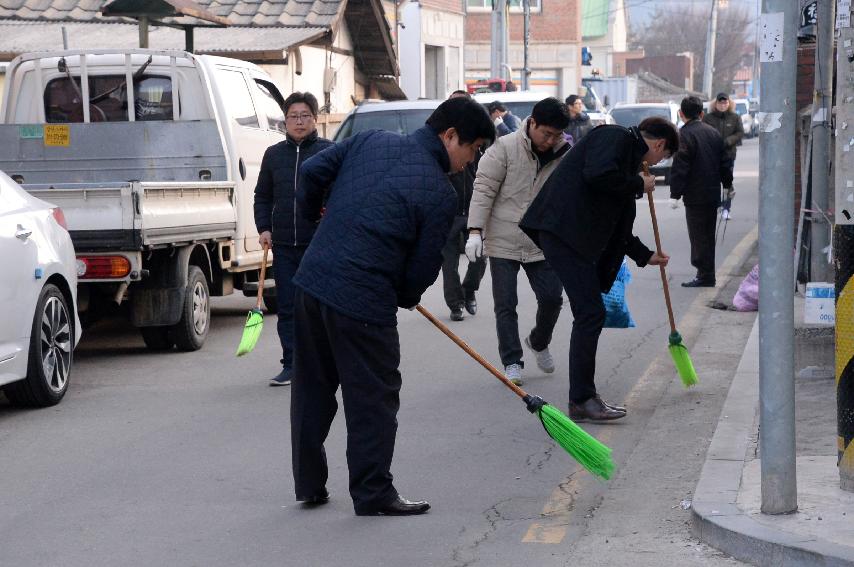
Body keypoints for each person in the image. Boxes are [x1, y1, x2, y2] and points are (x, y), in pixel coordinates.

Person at [290, 97, 495, 516]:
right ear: (449, 136)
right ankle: (372, 493)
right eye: (473, 150)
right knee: (373, 399)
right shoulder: (440, 193)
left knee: (312, 388)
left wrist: (317, 220)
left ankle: (309, 484)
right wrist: (403, 295)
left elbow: (311, 172)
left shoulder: (369, 140)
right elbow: (421, 270)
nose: (470, 161)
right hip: (363, 303)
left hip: (312, 283)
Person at [520, 116, 678, 422]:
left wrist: (645, 256)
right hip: (562, 233)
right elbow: (596, 175)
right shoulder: (614, 137)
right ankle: (581, 399)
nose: (658, 162)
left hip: (573, 238)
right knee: (590, 312)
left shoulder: (626, 159)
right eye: (664, 156)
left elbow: (617, 226)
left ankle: (583, 398)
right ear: (659, 145)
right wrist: (637, 184)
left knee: (590, 313)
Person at [466, 97, 571, 386]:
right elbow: (484, 188)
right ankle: (512, 360)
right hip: (503, 238)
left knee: (552, 298)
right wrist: (475, 230)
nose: (550, 141)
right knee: (506, 304)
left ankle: (538, 341)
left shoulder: (564, 154)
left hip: (541, 240)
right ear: (532, 123)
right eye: (546, 133)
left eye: (556, 135)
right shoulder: (504, 148)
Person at [253, 91, 333, 387]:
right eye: (293, 116)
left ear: (315, 118)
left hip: (319, 245)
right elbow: (262, 196)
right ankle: (292, 364)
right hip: (284, 245)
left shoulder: (329, 151)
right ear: (285, 120)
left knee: (320, 307)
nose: (299, 122)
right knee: (288, 307)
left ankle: (323, 362)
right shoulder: (274, 155)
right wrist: (264, 227)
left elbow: (339, 194)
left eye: (305, 116)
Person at [669, 96, 733, 288]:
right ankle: (707, 274)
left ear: (681, 114)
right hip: (712, 193)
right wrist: (728, 185)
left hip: (695, 195)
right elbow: (725, 162)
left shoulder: (684, 135)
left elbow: (681, 166)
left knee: (698, 236)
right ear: (702, 114)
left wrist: (675, 194)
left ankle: (704, 274)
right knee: (707, 235)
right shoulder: (713, 133)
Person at [441, 91, 488, 321]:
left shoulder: (479, 138)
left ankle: (469, 290)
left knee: (479, 258)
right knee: (448, 264)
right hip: (447, 212)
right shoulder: (442, 138)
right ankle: (455, 304)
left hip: (473, 210)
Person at [702, 92, 742, 219]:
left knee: (727, 181)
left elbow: (740, 133)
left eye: (725, 102)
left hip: (729, 154)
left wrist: (729, 141)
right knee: (713, 181)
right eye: (720, 102)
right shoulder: (708, 118)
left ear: (729, 103)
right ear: (716, 103)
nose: (723, 104)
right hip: (712, 155)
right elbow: (703, 132)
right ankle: (717, 205)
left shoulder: (735, 117)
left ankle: (726, 208)